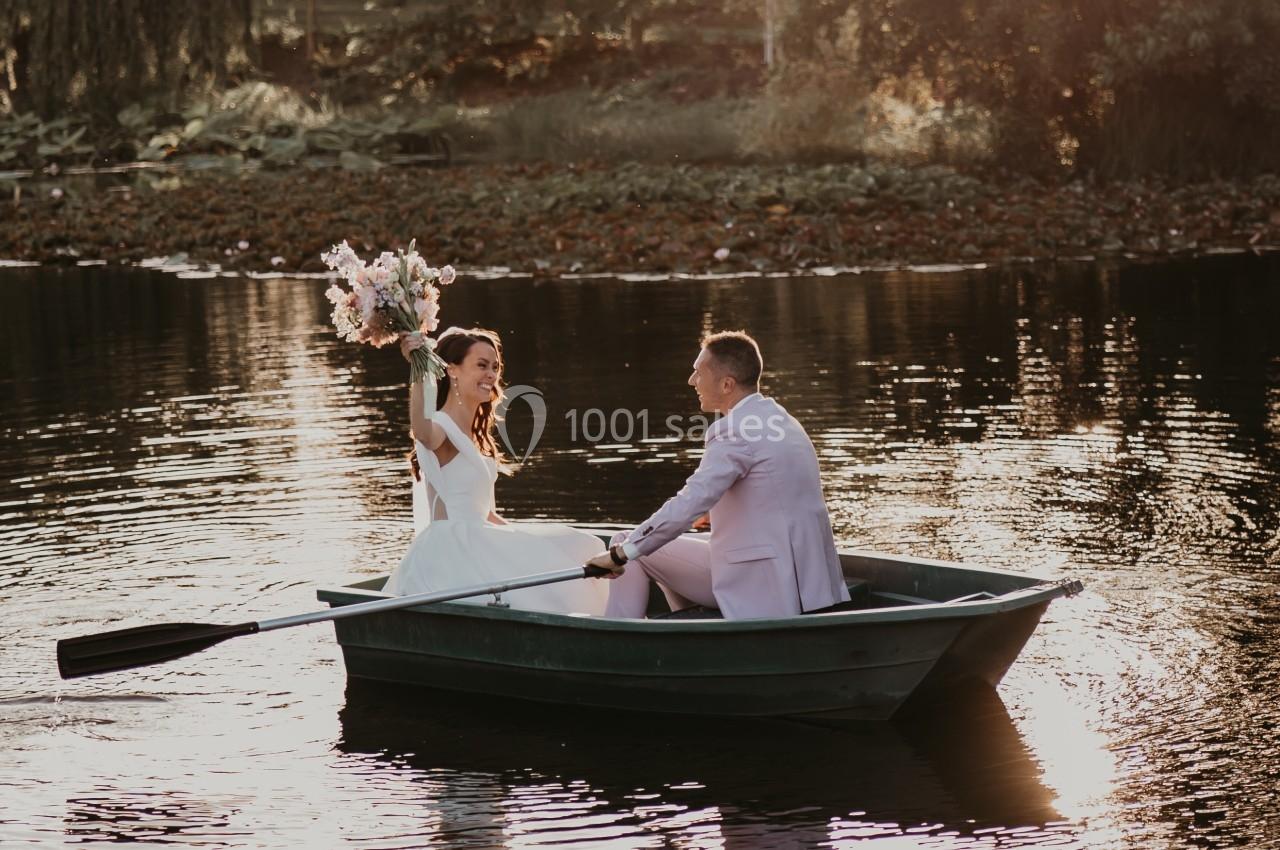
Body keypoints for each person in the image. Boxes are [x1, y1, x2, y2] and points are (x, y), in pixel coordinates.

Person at [587, 331, 850, 620]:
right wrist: (718, 511)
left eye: (698, 373)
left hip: (762, 583)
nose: (691, 381)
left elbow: (689, 503)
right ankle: (689, 629)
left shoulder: (733, 430)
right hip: (807, 580)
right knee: (652, 541)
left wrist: (618, 556)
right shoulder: (781, 419)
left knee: (629, 543)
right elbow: (777, 493)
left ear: (727, 384)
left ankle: (619, 636)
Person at [383, 327, 609, 615]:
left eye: (495, 367)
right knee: (567, 556)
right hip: (454, 550)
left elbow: (483, 512)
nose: (491, 374)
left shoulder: (478, 437)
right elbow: (422, 431)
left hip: (483, 536)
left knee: (583, 545)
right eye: (481, 365)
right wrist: (418, 367)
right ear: (452, 370)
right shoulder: (440, 427)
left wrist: (524, 537)